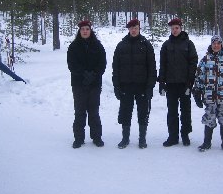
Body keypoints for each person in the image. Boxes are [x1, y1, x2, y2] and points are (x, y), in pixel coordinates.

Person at [112, 19, 156, 149]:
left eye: (135, 27)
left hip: (142, 86)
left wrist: (150, 87)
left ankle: (142, 139)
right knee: (125, 112)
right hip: (126, 86)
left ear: (139, 28)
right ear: (128, 29)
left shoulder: (146, 45)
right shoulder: (121, 45)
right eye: (131, 28)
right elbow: (116, 68)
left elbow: (152, 68)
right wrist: (116, 86)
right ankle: (125, 139)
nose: (133, 30)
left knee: (143, 113)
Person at [193, 35, 223, 153]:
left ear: (221, 44)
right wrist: (197, 91)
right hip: (209, 96)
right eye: (214, 43)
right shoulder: (205, 60)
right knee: (209, 118)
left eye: (218, 43)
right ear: (211, 45)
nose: (216, 45)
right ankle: (206, 142)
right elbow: (200, 77)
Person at [158, 18, 198, 147]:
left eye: (176, 28)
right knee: (172, 112)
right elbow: (162, 65)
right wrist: (162, 82)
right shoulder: (166, 45)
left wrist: (189, 82)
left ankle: (185, 135)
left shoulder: (188, 44)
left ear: (181, 28)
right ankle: (173, 136)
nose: (174, 30)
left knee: (186, 111)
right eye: (172, 28)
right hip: (171, 84)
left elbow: (193, 63)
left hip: (184, 84)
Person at [67, 20, 107, 148]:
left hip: (94, 84)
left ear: (91, 30)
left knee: (94, 111)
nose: (85, 31)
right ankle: (79, 138)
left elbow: (102, 64)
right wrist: (83, 74)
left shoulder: (98, 46)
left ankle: (96, 137)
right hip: (78, 84)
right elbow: (71, 65)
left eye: (87, 29)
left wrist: (93, 75)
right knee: (79, 111)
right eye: (83, 29)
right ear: (79, 31)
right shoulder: (73, 47)